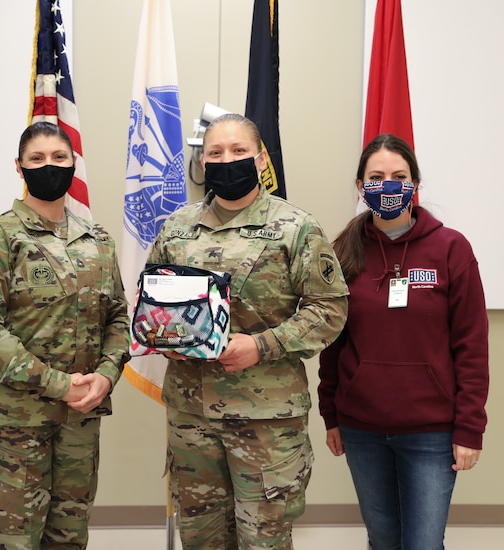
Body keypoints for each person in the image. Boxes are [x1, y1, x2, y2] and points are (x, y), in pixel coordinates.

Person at [147, 113, 349, 549]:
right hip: (191, 417)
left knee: (264, 541)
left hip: (265, 421)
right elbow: (154, 305)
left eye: (238, 151)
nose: (226, 160)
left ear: (260, 160)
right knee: (202, 539)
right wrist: (169, 342)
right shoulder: (177, 227)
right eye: (215, 153)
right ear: (203, 163)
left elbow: (330, 309)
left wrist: (263, 345)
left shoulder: (295, 228)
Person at [0, 121, 131, 550]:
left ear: (73, 165)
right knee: (14, 539)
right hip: (16, 425)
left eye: (59, 158)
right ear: (19, 167)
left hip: (80, 422)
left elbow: (119, 319)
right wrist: (59, 384)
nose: (48, 166)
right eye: (37, 159)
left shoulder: (98, 241)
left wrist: (106, 375)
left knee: (70, 536)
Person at [317, 134, 490, 550]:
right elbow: (332, 342)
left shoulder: (451, 249)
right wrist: (331, 414)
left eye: (399, 176)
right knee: (383, 540)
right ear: (360, 187)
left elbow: (472, 346)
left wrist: (470, 428)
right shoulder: (341, 252)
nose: (388, 185)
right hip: (362, 428)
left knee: (424, 544)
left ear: (415, 185)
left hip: (431, 432)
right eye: (376, 177)